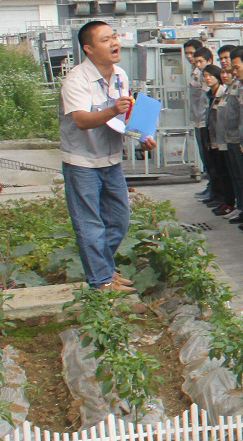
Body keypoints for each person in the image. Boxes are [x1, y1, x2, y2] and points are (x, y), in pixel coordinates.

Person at [61, 21, 152, 292]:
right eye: (105, 40)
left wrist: (142, 137)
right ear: (88, 49)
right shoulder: (76, 80)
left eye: (114, 37)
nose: (114, 43)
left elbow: (124, 118)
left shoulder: (120, 75)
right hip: (82, 162)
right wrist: (113, 109)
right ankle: (101, 281)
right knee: (89, 224)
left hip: (111, 159)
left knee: (119, 220)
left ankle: (103, 270)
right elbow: (81, 120)